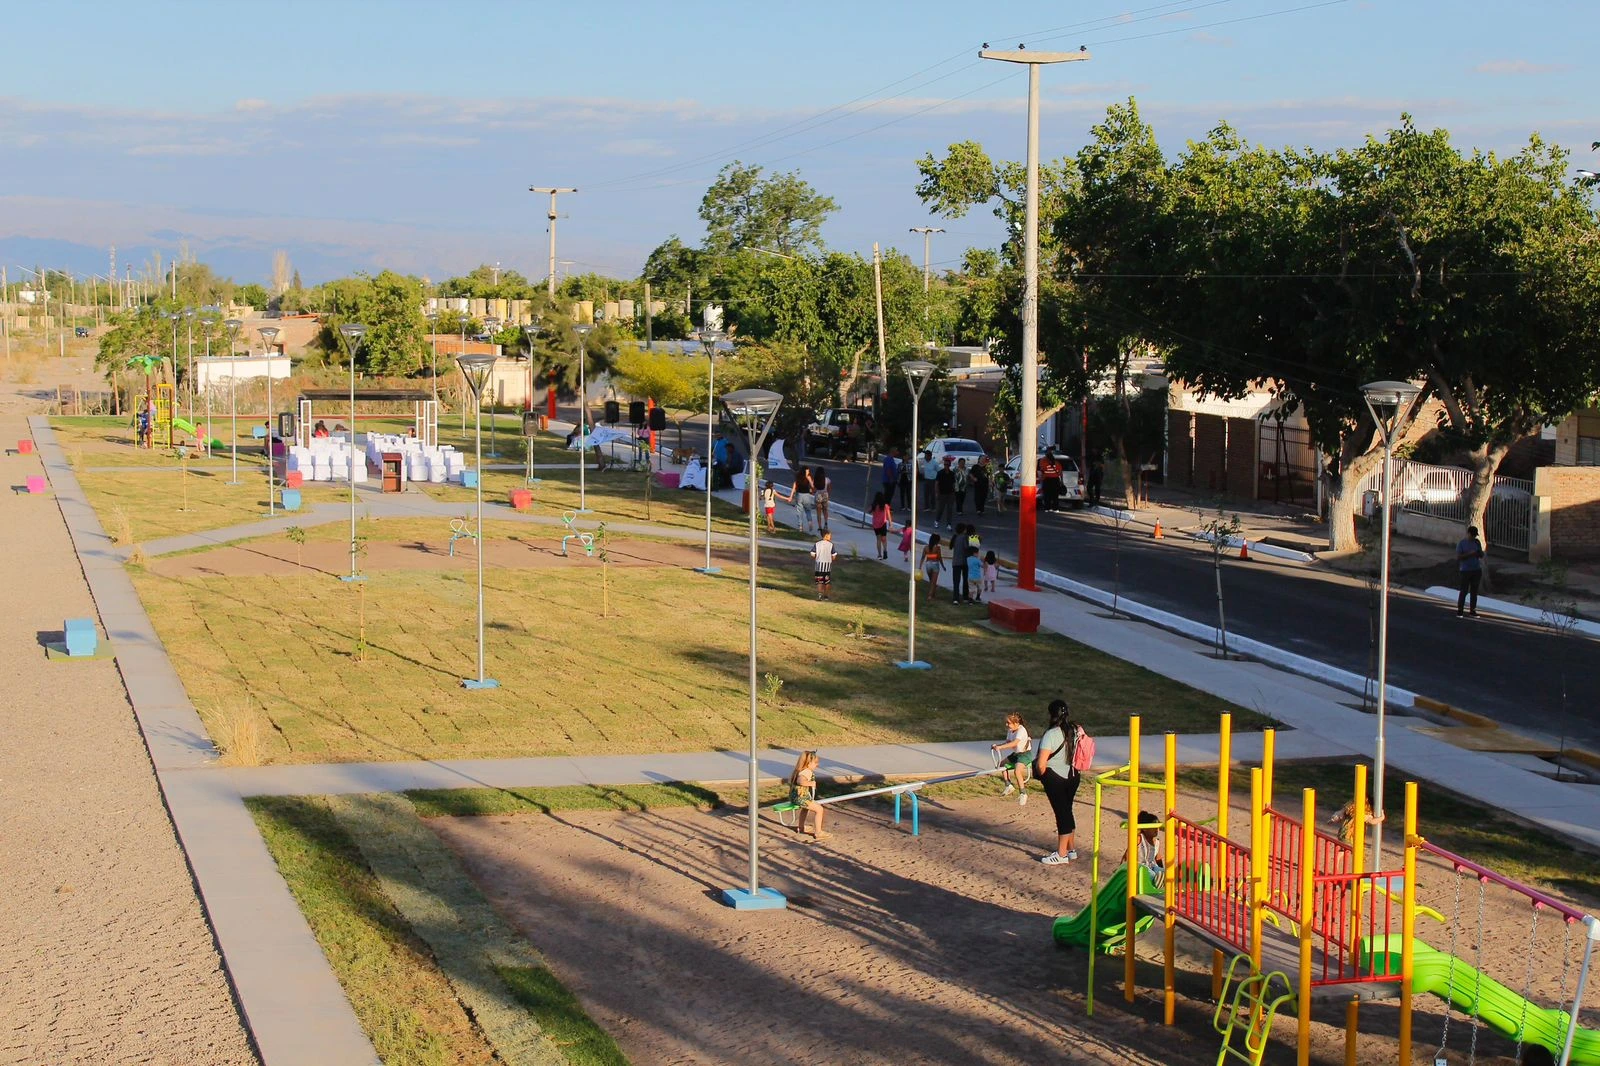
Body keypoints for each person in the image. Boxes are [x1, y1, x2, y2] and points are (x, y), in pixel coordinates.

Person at [1035, 699, 1084, 865]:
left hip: (1055, 778)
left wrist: (1042, 775)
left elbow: (1041, 764)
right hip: (1073, 776)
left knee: (1061, 814)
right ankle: (1071, 850)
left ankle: (1061, 854)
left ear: (1051, 714)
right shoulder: (1075, 730)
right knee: (1067, 811)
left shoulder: (1051, 734)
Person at [991, 712, 1033, 805]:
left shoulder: (1021, 730)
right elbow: (1007, 742)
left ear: (1016, 724)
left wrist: (1000, 748)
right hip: (1016, 754)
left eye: (1008, 723)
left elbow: (1014, 743)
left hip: (1025, 754)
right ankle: (1008, 785)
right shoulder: (1010, 730)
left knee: (1017, 771)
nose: (1007, 725)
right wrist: (997, 746)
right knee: (1002, 764)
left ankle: (1023, 793)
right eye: (1007, 722)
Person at [789, 750, 829, 840]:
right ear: (808, 763)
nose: (817, 765)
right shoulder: (807, 772)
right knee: (819, 809)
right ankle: (818, 832)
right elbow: (800, 781)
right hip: (801, 798)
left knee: (805, 809)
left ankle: (801, 827)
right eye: (815, 763)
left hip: (795, 797)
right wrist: (810, 783)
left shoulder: (800, 770)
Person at [1119, 811, 1166, 888]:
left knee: (1162, 871)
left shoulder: (1157, 842)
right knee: (1150, 874)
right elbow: (1127, 855)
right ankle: (1157, 881)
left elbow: (1158, 858)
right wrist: (1120, 869)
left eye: (1157, 827)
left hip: (1151, 866)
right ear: (1144, 829)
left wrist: (1162, 869)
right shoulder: (1139, 839)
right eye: (1153, 827)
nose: (1156, 829)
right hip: (1140, 868)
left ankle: (1162, 880)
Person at [1456, 525, 1484, 617]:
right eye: (1472, 535)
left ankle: (1473, 610)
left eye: (1475, 535)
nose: (1474, 537)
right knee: (1464, 590)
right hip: (1465, 570)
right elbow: (1459, 557)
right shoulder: (1462, 543)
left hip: (1476, 570)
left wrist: (1479, 553)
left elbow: (1481, 555)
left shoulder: (1476, 542)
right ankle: (1460, 609)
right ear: (1468, 534)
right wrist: (1470, 554)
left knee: (1474, 591)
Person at [790, 468, 816, 534]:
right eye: (807, 471)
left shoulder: (798, 478)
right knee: (808, 510)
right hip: (806, 495)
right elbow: (812, 486)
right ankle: (810, 522)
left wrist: (791, 496)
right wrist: (812, 490)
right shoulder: (808, 477)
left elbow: (794, 487)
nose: (808, 472)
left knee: (799, 511)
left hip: (799, 495)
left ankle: (800, 526)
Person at [811, 530, 836, 600]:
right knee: (827, 582)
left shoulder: (817, 544)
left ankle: (819, 595)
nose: (831, 537)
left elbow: (812, 554)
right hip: (827, 566)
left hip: (819, 566)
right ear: (826, 535)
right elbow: (834, 556)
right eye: (830, 535)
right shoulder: (831, 545)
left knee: (819, 581)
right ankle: (826, 596)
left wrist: (817, 557)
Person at [920, 533, 945, 601]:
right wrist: (943, 566)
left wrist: (920, 567)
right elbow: (939, 557)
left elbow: (922, 557)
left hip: (928, 564)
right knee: (933, 582)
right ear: (936, 541)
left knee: (931, 581)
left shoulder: (926, 547)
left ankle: (933, 594)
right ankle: (930, 596)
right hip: (935, 564)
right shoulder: (937, 548)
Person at [950, 523, 970, 604]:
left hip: (955, 562)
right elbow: (966, 547)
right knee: (965, 580)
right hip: (964, 561)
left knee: (956, 581)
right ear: (963, 530)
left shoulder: (955, 537)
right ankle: (965, 597)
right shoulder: (965, 537)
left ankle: (956, 598)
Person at [1039, 447, 1064, 512]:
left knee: (1047, 495)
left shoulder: (1043, 461)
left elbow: (1042, 470)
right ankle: (1055, 508)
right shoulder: (1057, 463)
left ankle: (1047, 508)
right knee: (1055, 495)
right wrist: (1061, 481)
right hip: (1055, 480)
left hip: (1047, 479)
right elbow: (1060, 472)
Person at [935, 457, 957, 531]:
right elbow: (937, 483)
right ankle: (937, 521)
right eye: (945, 465)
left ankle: (949, 524)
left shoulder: (952, 474)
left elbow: (954, 484)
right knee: (941, 508)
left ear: (949, 465)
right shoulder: (940, 473)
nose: (946, 466)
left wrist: (954, 493)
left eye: (947, 465)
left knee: (950, 509)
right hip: (942, 493)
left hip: (950, 493)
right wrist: (937, 493)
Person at [870, 491, 892, 560]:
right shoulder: (885, 506)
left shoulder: (873, 505)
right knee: (884, 538)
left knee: (878, 539)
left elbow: (869, 511)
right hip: (883, 523)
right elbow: (888, 515)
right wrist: (890, 524)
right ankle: (885, 550)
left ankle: (879, 555)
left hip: (876, 524)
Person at [813, 466, 833, 532]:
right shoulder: (827, 479)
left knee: (818, 512)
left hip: (818, 495)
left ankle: (819, 526)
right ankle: (826, 523)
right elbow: (829, 489)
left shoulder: (815, 480)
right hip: (825, 495)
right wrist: (828, 496)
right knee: (825, 510)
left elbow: (814, 490)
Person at [967, 532, 984, 603]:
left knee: (971, 589)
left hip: (970, 577)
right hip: (978, 577)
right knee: (980, 587)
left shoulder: (968, 559)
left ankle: (970, 600)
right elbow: (982, 566)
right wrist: (983, 560)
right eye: (977, 553)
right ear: (975, 553)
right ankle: (978, 597)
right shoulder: (977, 560)